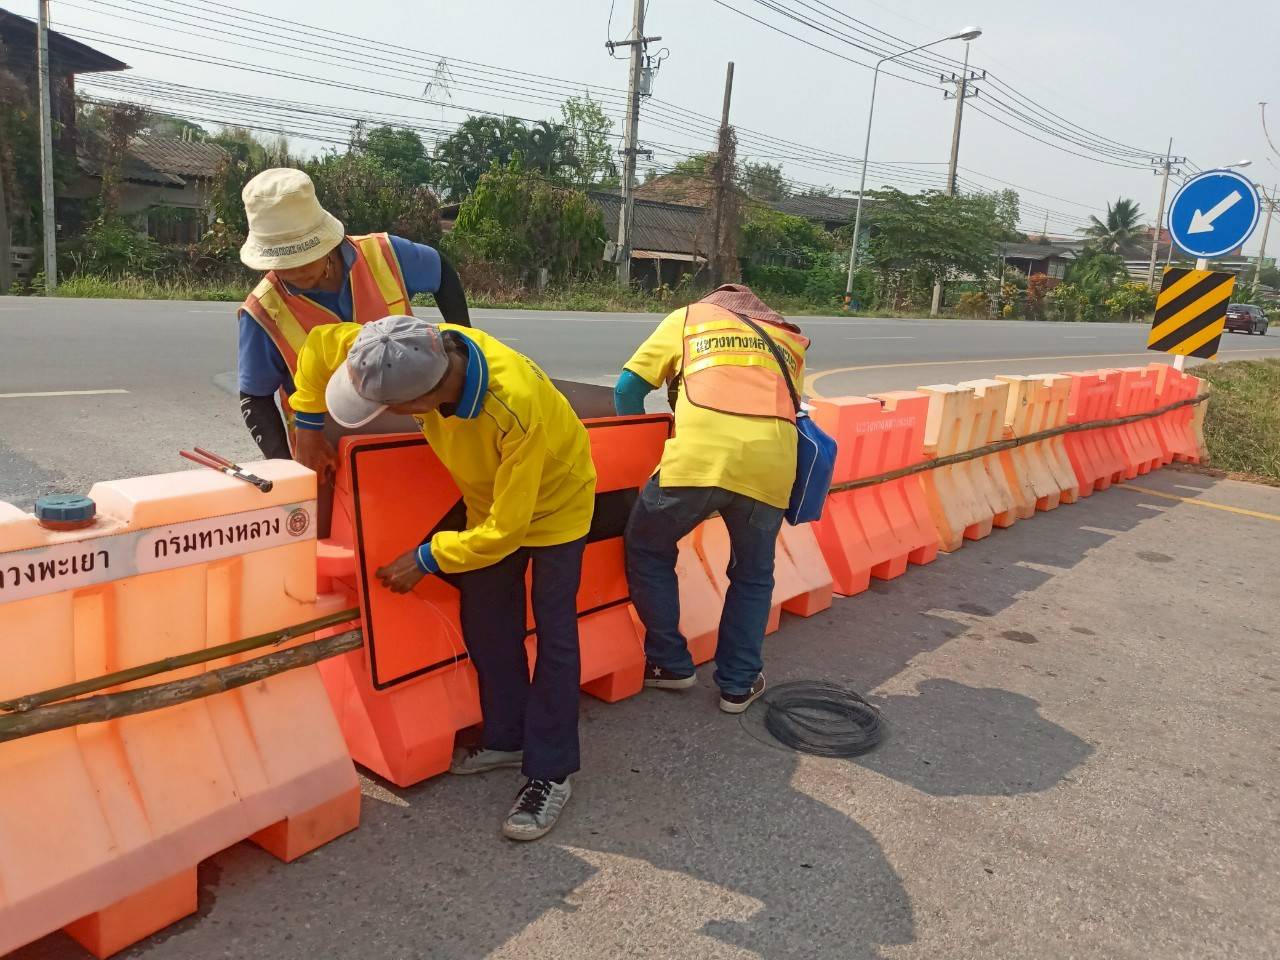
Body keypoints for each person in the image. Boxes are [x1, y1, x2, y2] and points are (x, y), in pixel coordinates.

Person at [290, 315, 596, 841]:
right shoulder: (397, 346)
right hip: (490, 505)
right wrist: (308, 426)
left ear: (420, 401)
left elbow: (506, 531)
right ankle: (507, 737)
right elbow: (319, 346)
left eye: (386, 409)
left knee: (555, 635)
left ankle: (551, 771)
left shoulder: (515, 409)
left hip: (555, 506)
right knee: (487, 621)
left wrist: (428, 557)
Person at [614, 284, 809, 714]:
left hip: (696, 462)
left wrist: (641, 454)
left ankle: (669, 662)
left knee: (647, 547)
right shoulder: (787, 339)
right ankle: (738, 684)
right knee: (753, 575)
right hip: (771, 466)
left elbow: (627, 390)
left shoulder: (688, 318)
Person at [236, 167, 470, 468]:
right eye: (282, 262)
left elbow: (442, 272)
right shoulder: (263, 312)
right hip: (328, 452)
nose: (294, 271)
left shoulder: (385, 254)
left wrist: (462, 341)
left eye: (303, 258)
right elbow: (254, 398)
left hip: (415, 434)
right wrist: (286, 471)